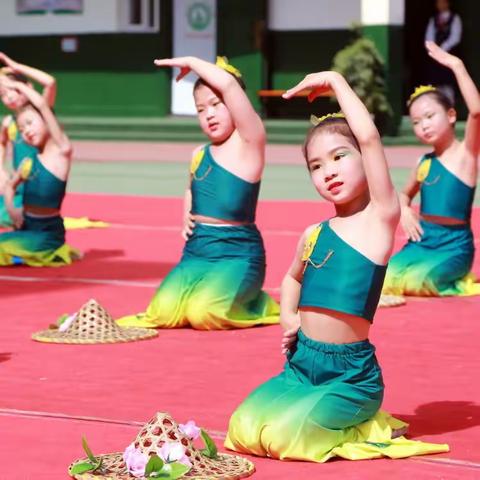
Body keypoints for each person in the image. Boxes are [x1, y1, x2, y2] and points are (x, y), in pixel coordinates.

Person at [225, 71, 449, 461]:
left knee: (288, 438)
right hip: (302, 364)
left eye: (339, 157)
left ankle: (367, 420)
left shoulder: (379, 218)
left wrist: (334, 81)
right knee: (244, 428)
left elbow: (369, 136)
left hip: (351, 376)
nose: (328, 171)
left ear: (364, 160)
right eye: (316, 165)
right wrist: (288, 319)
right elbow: (292, 277)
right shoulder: (314, 232)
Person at [117, 57, 279, 330]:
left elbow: (228, 85)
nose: (209, 114)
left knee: (205, 314)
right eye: (201, 109)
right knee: (162, 314)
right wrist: (186, 214)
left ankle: (256, 302)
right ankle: (220, 293)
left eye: (216, 105)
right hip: (196, 252)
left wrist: (192, 62)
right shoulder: (198, 154)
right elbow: (190, 188)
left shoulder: (249, 144)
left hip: (238, 255)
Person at [383, 41, 480, 297]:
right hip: (424, 240)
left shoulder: (466, 155)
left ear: (450, 115)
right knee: (386, 275)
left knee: (422, 281)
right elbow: (405, 194)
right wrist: (405, 209)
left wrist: (456, 65)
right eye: (416, 121)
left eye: (429, 116)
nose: (423, 125)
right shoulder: (423, 162)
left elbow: (477, 111)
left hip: (454, 246)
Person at [0, 79, 80, 266]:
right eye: (21, 129)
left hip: (47, 234)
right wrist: (13, 210)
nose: (26, 131)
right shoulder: (28, 163)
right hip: (27, 227)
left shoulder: (61, 151)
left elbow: (43, 104)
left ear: (46, 121)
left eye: (30, 123)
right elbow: (11, 186)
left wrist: (16, 85)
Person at [0, 52, 56, 226]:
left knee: (17, 218)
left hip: (37, 192)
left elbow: (50, 82)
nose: (9, 96)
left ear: (28, 87)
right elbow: (1, 143)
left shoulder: (40, 113)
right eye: (3, 93)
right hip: (17, 188)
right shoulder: (8, 122)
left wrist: (15, 66)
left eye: (14, 90)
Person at [424, 0, 462, 102]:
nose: (440, 5)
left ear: (447, 3)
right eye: (438, 2)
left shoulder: (455, 18)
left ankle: (450, 106)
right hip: (435, 57)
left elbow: (455, 37)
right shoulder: (434, 19)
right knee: (434, 83)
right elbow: (429, 36)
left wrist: (442, 49)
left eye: (442, 2)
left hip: (448, 55)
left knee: (448, 84)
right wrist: (433, 48)